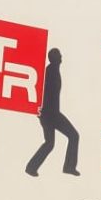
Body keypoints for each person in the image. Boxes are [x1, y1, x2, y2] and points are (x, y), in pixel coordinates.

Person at [24, 47, 80, 177]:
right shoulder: (50, 72)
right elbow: (42, 92)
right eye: (59, 55)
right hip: (51, 115)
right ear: (54, 58)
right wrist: (40, 109)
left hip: (50, 114)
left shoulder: (52, 70)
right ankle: (68, 167)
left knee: (50, 143)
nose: (61, 57)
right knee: (73, 136)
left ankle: (31, 167)